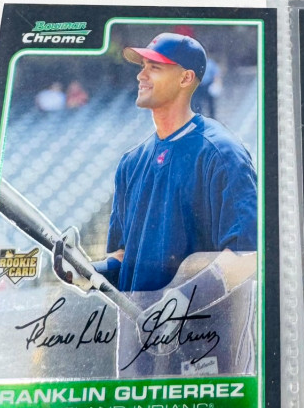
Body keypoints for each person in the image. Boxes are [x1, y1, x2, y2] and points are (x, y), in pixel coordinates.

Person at [100, 32, 257, 294]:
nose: (141, 75)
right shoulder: (131, 162)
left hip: (198, 320)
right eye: (142, 66)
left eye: (154, 67)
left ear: (185, 78)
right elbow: (124, 257)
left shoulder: (221, 153)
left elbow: (246, 256)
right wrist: (86, 272)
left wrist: (181, 301)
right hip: (137, 319)